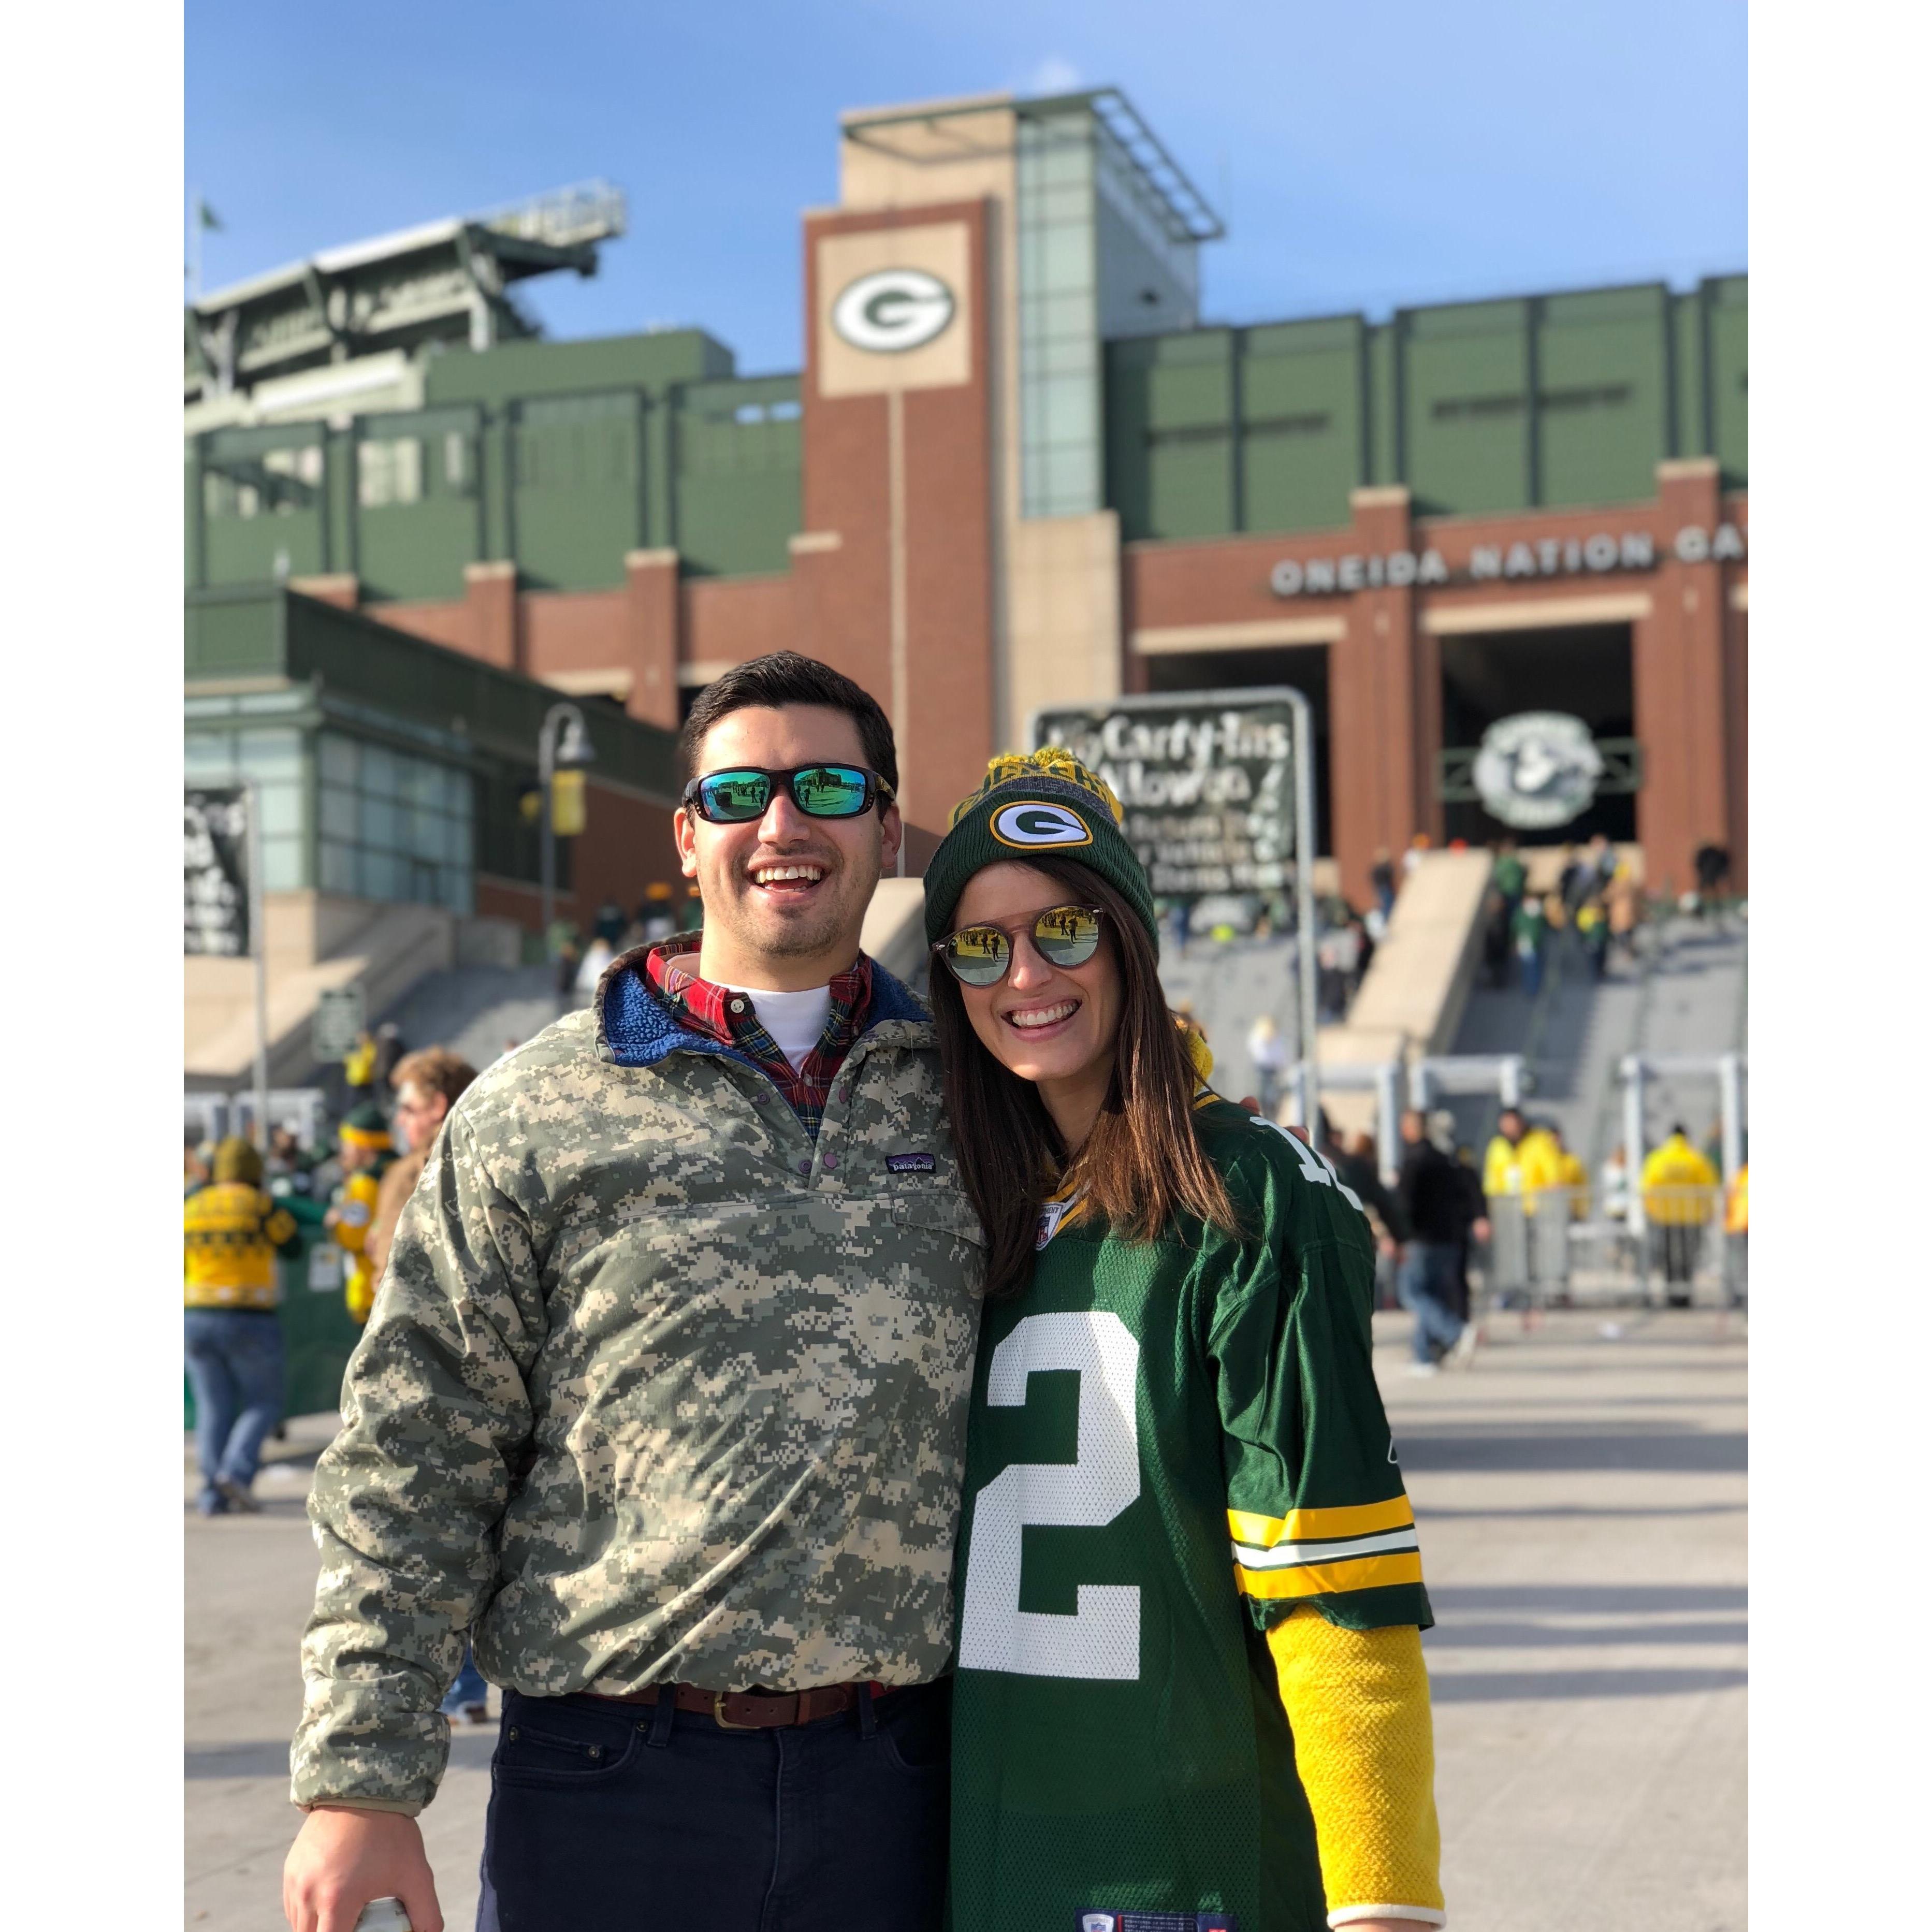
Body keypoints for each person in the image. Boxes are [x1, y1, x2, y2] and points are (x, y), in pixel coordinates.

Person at [284, 652, 980, 1932]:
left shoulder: (973, 1097)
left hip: (903, 1790)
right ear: (686, 835)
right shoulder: (535, 1108)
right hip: (614, 1786)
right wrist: (359, 1781)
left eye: (826, 786)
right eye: (740, 794)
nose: (782, 824)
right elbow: (418, 1444)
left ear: (887, 826)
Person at [924, 748, 1446, 1932]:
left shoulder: (1249, 1193)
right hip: (981, 1863)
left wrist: (1385, 1903)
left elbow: (1335, 1585)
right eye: (981, 943)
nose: (1024, 974)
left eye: (1063, 928)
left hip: (1185, 1868)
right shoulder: (953, 1201)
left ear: (1128, 939)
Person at [185, 1137, 304, 1516]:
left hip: (196, 1315)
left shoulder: (191, 1205)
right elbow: (293, 1246)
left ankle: (210, 1494)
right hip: (250, 1315)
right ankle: (236, 1473)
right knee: (263, 1402)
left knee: (212, 1407)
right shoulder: (261, 1205)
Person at [1395, 1109, 1482, 1375]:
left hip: (1423, 1239)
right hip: (1450, 1239)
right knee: (1431, 1297)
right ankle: (1424, 1357)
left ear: (1411, 1128)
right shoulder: (1445, 1160)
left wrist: (1399, 1236)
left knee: (1412, 1294)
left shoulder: (1414, 1160)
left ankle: (1455, 1331)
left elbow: (1404, 1204)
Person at [322, 1104, 395, 1325]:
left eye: (347, 1143)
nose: (343, 1150)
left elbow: (353, 1237)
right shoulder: (401, 1169)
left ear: (363, 1145)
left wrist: (335, 1223)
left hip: (371, 1293)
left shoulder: (363, 1183)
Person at [1641, 1122, 1719, 1307]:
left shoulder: (1658, 1158)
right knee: (1688, 1257)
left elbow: (1647, 1187)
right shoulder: (1696, 1158)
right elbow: (1708, 1186)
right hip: (1691, 1217)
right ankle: (1685, 1296)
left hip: (1664, 1217)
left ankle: (1670, 1294)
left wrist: (1652, 1211)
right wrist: (1708, 1211)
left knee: (1667, 1256)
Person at [1245, 1011, 1289, 1121]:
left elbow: (1281, 1056)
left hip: (1273, 1072)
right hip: (1262, 1071)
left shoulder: (1278, 1039)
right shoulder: (1258, 1038)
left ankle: (1271, 1117)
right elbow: (1259, 1053)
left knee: (1273, 1098)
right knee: (1261, 1096)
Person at [1370, 846, 1398, 918]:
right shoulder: (1381, 869)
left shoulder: (1377, 869)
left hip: (1384, 889)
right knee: (1387, 907)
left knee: (1387, 906)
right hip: (1385, 889)